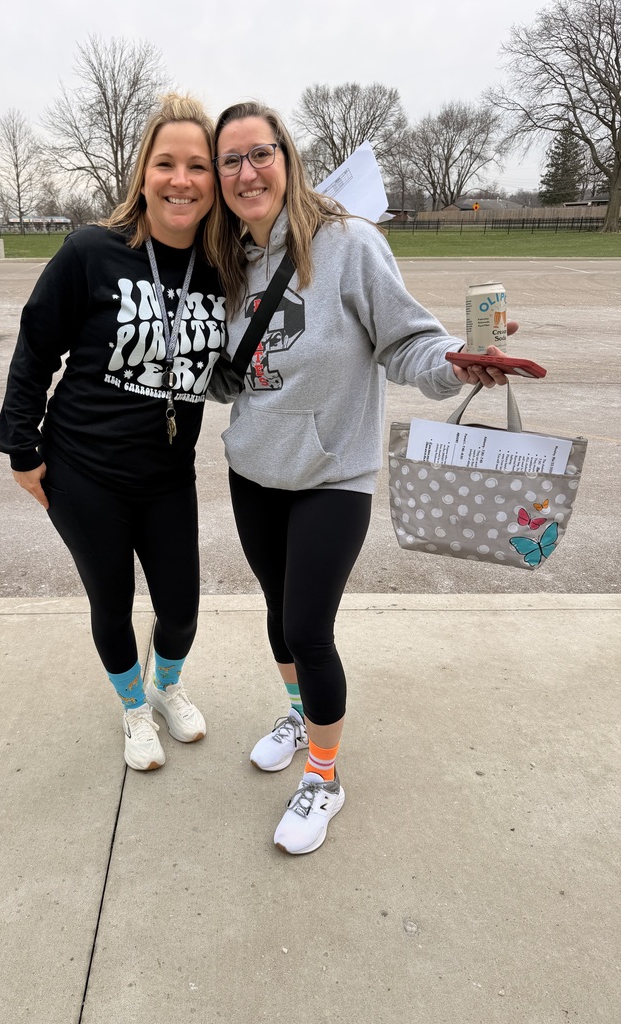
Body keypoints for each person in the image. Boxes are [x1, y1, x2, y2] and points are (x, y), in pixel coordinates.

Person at [210, 101, 517, 855]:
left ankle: (324, 776)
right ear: (219, 178)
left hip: (331, 475)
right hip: (253, 471)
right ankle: (296, 712)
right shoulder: (223, 262)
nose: (247, 172)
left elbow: (408, 341)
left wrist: (454, 362)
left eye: (261, 153)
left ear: (288, 156)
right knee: (279, 619)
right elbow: (226, 379)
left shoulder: (350, 244)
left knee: (310, 630)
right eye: (231, 161)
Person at [0, 95, 226, 772]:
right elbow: (36, 345)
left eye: (196, 165)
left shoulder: (224, 267)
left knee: (181, 606)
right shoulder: (93, 251)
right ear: (143, 174)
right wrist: (20, 447)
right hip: (83, 470)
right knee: (113, 599)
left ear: (214, 180)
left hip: (166, 475)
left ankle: (166, 688)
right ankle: (132, 709)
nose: (180, 179)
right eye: (165, 163)